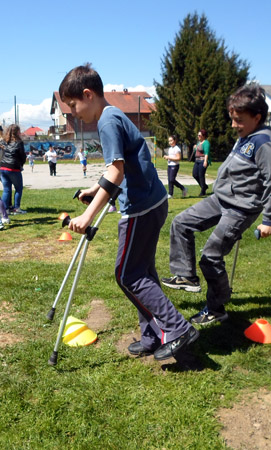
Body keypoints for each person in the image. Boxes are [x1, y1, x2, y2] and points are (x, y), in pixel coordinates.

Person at [59, 63, 198, 361]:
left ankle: (176, 328)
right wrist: (95, 191)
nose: (73, 113)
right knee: (143, 272)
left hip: (140, 209)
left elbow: (117, 171)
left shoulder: (107, 121)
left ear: (87, 94)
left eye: (72, 105)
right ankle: (152, 335)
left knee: (127, 275)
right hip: (155, 202)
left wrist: (87, 217)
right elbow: (122, 168)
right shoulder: (114, 116)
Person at [161, 84, 271, 325]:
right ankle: (186, 276)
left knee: (210, 257)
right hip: (220, 199)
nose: (233, 125)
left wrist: (269, 219)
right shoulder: (245, 136)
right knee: (181, 223)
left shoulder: (264, 143)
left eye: (238, 120)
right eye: (232, 118)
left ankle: (216, 308)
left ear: (257, 117)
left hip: (241, 208)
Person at [0, 124, 27, 214]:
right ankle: (16, 208)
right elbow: (22, 155)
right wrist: (21, 164)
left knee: (6, 189)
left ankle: (5, 209)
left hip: (3, 166)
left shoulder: (4, 141)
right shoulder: (19, 142)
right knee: (18, 188)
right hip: (13, 167)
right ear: (17, 132)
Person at [192, 129, 211, 196]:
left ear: (203, 135)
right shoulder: (198, 143)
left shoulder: (206, 143)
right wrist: (194, 148)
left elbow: (206, 153)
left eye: (200, 135)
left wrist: (205, 161)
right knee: (195, 174)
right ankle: (204, 186)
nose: (198, 136)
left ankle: (203, 191)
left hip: (202, 160)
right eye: (198, 135)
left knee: (201, 175)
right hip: (197, 161)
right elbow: (196, 151)